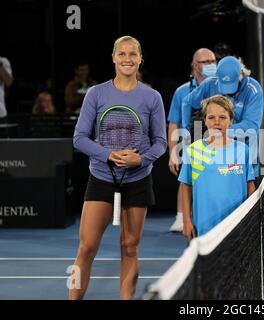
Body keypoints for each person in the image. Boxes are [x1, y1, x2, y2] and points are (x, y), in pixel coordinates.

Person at [70, 36, 166, 299]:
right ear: (113, 58)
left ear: (140, 59)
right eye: (122, 54)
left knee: (131, 247)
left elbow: (160, 143)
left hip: (137, 181)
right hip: (101, 178)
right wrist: (108, 154)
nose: (127, 59)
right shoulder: (96, 94)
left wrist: (142, 159)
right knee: (87, 248)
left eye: (133, 54)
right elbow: (79, 138)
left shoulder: (152, 97)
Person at [179, 95, 256, 240]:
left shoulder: (242, 150)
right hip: (203, 227)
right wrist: (186, 221)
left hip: (237, 225)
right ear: (205, 120)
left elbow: (250, 187)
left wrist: (252, 219)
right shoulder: (193, 150)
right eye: (211, 117)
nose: (216, 122)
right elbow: (185, 186)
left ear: (231, 120)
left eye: (222, 117)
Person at [181, 56, 264, 177]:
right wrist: (188, 132)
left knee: (243, 193)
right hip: (213, 159)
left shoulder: (253, 90)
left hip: (242, 160)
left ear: (241, 75)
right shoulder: (210, 83)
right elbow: (187, 102)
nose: (227, 92)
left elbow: (251, 126)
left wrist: (217, 132)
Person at [167, 48, 217, 232]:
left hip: (218, 143)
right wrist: (173, 153)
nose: (212, 65)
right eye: (207, 62)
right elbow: (173, 124)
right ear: (195, 65)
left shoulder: (221, 86)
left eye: (213, 61)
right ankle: (181, 218)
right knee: (186, 179)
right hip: (190, 143)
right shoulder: (182, 92)